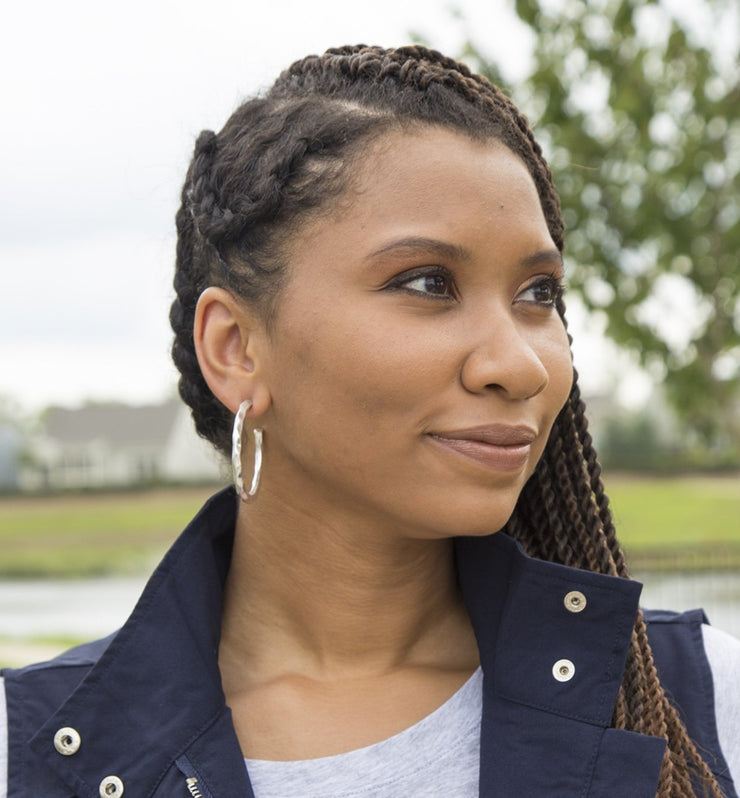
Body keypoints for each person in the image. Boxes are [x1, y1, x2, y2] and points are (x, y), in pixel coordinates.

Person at [1, 44, 738, 798]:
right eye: (428, 283)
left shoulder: (699, 702)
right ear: (236, 349)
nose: (520, 365)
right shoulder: (27, 754)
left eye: (538, 293)